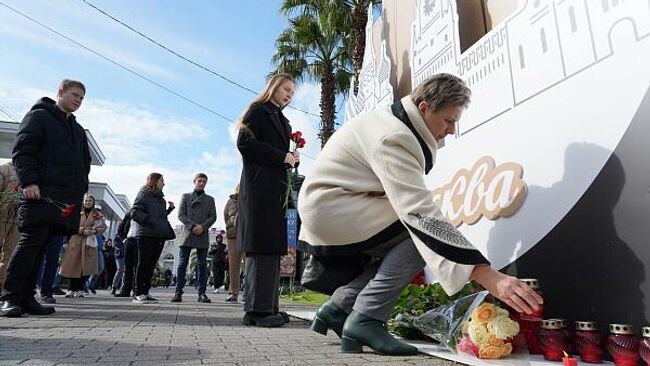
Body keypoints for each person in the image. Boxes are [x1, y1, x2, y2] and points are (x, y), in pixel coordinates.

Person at [297, 74, 543, 355]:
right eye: (448, 120)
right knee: (420, 236)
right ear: (424, 107)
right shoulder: (395, 136)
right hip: (333, 207)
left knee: (415, 237)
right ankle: (366, 318)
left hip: (334, 205)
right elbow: (420, 213)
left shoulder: (395, 124)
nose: (451, 130)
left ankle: (340, 308)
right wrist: (486, 274)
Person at [1, 79, 91, 317]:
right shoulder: (39, 117)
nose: (78, 100)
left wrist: (80, 188)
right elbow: (23, 150)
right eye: (74, 95)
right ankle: (9, 297)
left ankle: (28, 297)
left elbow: (84, 163)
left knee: (42, 249)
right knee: (30, 244)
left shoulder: (77, 130)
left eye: (82, 98)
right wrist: (29, 181)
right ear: (60, 92)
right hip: (39, 194)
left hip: (64, 201)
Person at [237, 73, 298, 327]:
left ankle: (270, 306)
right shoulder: (257, 111)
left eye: (292, 92)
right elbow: (245, 144)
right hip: (259, 188)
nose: (288, 94)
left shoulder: (283, 121)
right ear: (273, 87)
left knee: (273, 247)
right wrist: (280, 156)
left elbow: (282, 155)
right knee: (260, 245)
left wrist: (292, 158)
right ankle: (256, 311)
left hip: (276, 190)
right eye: (285, 88)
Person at [171, 173, 216, 303]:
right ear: (194, 181)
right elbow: (181, 215)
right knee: (182, 264)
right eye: (200, 181)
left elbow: (213, 217)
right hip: (188, 233)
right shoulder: (186, 196)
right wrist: (192, 226)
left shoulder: (210, 199)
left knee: (202, 265)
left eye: (204, 181)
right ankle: (178, 292)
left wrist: (202, 227)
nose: (202, 183)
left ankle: (202, 293)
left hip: (202, 233)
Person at [131, 173, 175, 304]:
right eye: (162, 181)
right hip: (145, 234)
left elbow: (159, 217)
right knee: (143, 264)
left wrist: (169, 210)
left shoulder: (161, 199)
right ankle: (138, 293)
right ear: (155, 181)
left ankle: (145, 291)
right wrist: (151, 221)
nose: (164, 183)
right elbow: (135, 213)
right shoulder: (144, 194)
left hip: (158, 235)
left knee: (151, 265)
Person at [59, 194, 106, 298]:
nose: (88, 203)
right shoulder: (77, 212)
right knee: (73, 266)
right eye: (86, 201)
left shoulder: (96, 214)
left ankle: (80, 289)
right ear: (83, 202)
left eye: (90, 201)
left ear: (93, 203)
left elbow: (103, 226)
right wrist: (81, 230)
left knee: (85, 268)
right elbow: (70, 225)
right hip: (76, 242)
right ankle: (71, 289)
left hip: (89, 243)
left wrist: (94, 230)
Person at [0, 162, 20, 292]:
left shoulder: (31, 172)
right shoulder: (5, 169)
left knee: (10, 255)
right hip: (1, 218)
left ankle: (2, 287)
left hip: (18, 221)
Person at [223, 185, 242, 302]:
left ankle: (248, 294)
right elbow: (225, 217)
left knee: (250, 265)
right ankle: (233, 293)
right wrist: (231, 226)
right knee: (234, 265)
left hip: (246, 234)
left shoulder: (248, 198)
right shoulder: (229, 202)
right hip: (232, 235)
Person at [114, 212, 138, 297]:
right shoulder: (129, 214)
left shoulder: (147, 212)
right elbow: (121, 227)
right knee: (127, 267)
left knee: (137, 267)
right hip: (129, 241)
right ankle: (125, 290)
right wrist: (124, 239)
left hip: (140, 241)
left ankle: (137, 291)